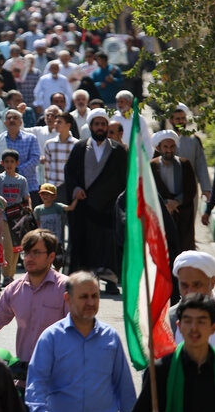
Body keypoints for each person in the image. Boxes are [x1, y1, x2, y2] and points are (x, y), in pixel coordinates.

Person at [26, 271, 137, 411]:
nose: (90, 302)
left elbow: (125, 388)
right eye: (84, 297)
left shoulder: (110, 337)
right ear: (68, 298)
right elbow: (36, 385)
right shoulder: (51, 338)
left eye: (95, 296)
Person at [0, 229, 68, 368]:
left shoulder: (65, 288)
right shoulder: (14, 289)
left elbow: (79, 332)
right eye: (26, 252)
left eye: (36, 252)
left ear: (51, 256)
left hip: (60, 378)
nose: (29, 257)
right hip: (26, 378)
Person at [64, 108, 127, 291]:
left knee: (108, 245)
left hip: (109, 208)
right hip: (84, 207)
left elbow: (125, 179)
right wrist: (76, 189)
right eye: (97, 124)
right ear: (90, 126)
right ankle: (85, 279)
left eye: (103, 124)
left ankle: (110, 280)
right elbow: (70, 172)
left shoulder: (118, 151)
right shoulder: (80, 147)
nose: (100, 127)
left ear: (107, 127)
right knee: (85, 244)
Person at [132, 293, 215, 411]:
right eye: (188, 321)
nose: (194, 327)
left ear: (213, 328)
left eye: (201, 321)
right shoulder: (160, 371)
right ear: (179, 326)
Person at [0, 110, 40, 205]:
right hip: (6, 192)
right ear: (4, 123)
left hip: (29, 187)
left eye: (15, 118)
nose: (12, 120)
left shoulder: (31, 138)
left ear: (20, 122)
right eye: (9, 118)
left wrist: (16, 172)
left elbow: (35, 159)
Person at [150, 130, 197, 251]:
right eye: (165, 147)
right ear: (158, 148)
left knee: (183, 251)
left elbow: (191, 189)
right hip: (161, 215)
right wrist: (165, 204)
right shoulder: (152, 166)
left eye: (172, 146)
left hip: (182, 215)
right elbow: (150, 190)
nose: (169, 150)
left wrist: (176, 202)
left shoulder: (185, 164)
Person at [0, 149, 30, 283]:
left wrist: (28, 211)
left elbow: (26, 198)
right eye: (6, 161)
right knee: (6, 246)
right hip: (2, 217)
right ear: (2, 163)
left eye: (11, 162)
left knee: (16, 248)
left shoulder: (22, 180)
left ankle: (11, 276)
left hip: (17, 218)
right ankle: (6, 275)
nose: (9, 164)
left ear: (17, 163)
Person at [168, 250, 215, 346]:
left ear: (212, 282)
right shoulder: (169, 320)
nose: (190, 292)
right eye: (184, 285)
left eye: (197, 285)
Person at [169, 103, 211, 201]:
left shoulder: (194, 140)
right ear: (171, 121)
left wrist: (206, 188)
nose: (181, 121)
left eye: (183, 118)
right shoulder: (164, 139)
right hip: (168, 190)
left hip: (190, 189)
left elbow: (201, 164)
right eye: (177, 119)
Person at [34, 183, 78, 269]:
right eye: (43, 194)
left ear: (54, 196)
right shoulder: (38, 210)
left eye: (48, 194)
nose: (45, 196)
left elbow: (70, 208)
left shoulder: (58, 207)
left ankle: (56, 278)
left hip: (57, 241)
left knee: (58, 262)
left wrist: (77, 198)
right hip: (44, 241)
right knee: (45, 262)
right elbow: (37, 225)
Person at [43, 112, 78, 204]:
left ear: (68, 125)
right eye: (56, 122)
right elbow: (47, 168)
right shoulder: (49, 144)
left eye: (59, 122)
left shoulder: (77, 144)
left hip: (70, 187)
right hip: (53, 188)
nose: (55, 124)